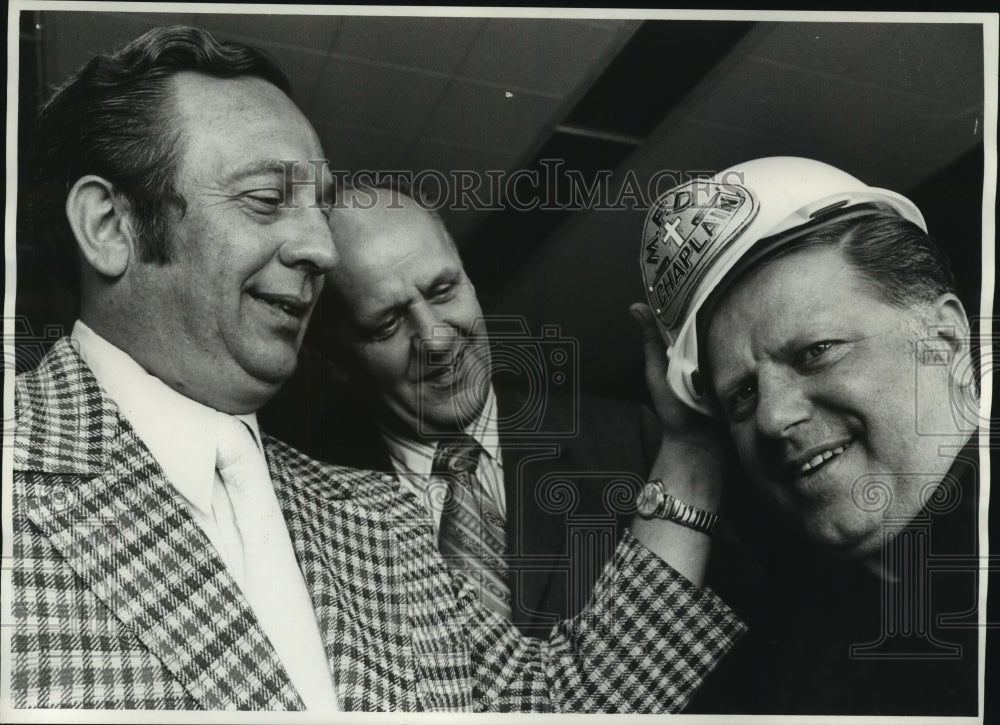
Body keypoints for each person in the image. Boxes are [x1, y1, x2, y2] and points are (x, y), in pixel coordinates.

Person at [10, 25, 744, 712]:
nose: (321, 251)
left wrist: (690, 448)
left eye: (318, 208)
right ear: (111, 228)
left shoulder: (375, 516)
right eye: (267, 200)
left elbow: (558, 705)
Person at [632, 156, 981, 715]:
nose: (772, 419)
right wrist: (689, 448)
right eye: (740, 396)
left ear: (943, 338)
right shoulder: (786, 646)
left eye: (815, 353)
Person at [284, 182, 664, 637]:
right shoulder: (302, 513)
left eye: (444, 291)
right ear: (332, 359)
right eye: (386, 323)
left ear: (470, 278)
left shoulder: (631, 439)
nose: (437, 340)